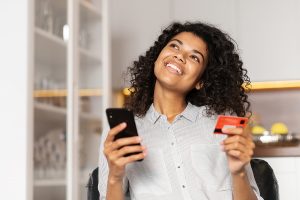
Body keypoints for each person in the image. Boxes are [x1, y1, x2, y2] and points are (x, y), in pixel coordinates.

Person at [98, 21, 262, 200]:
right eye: (174, 46)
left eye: (194, 57)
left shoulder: (225, 121)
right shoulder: (123, 129)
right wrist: (114, 177)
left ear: (201, 81)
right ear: (157, 58)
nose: (179, 56)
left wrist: (239, 173)